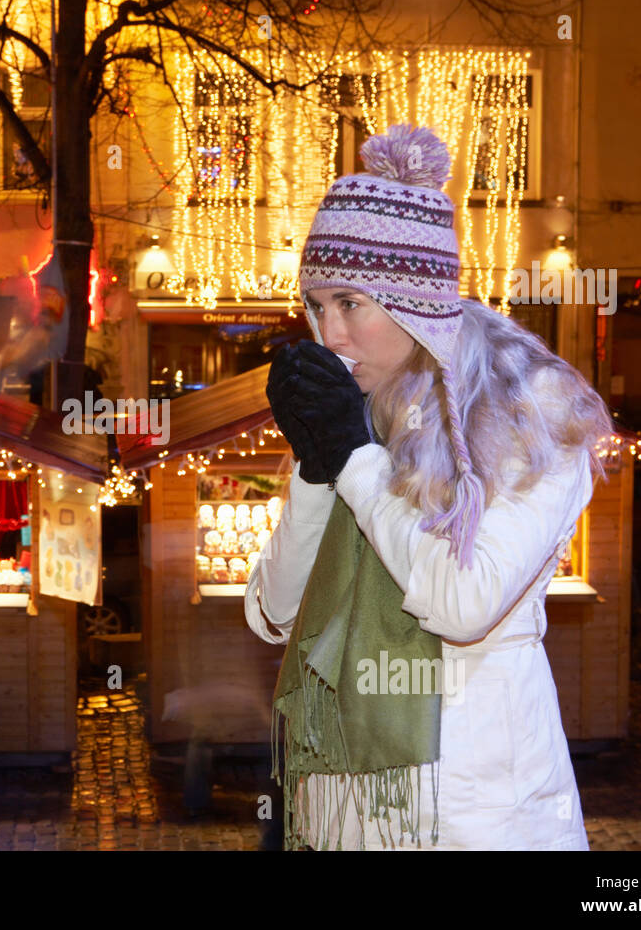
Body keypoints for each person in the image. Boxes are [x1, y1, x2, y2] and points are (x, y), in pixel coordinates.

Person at [245, 124, 614, 850]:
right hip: (342, 808)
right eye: (316, 306)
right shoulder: (358, 413)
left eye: (351, 303)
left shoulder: (530, 412)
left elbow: (461, 602)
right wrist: (321, 469)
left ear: (414, 300)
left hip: (476, 809)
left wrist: (353, 460)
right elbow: (276, 613)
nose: (330, 334)